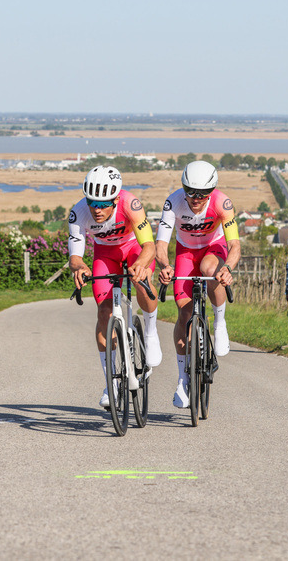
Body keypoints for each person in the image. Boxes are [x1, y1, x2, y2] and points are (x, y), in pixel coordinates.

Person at [68, 165, 160, 409]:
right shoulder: (78, 213)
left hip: (132, 248)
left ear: (116, 199)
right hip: (105, 253)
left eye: (104, 204)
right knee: (103, 313)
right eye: (92, 203)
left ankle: (150, 332)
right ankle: (111, 383)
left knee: (143, 282)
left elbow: (149, 246)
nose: (97, 210)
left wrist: (141, 264)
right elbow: (75, 257)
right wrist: (79, 268)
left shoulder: (131, 204)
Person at [155, 160, 241, 409]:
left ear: (211, 191)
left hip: (213, 248)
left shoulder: (222, 203)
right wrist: (164, 266)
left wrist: (228, 269)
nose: (195, 198)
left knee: (209, 270)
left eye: (202, 193)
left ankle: (220, 321)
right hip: (185, 251)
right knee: (183, 314)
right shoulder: (173, 202)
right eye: (190, 191)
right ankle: (183, 379)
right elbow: (161, 244)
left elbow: (234, 245)